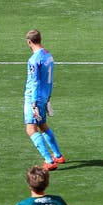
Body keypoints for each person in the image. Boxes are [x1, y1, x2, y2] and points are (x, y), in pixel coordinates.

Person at [23, 29, 65, 171]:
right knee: (43, 125)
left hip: (34, 98)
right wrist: (47, 97)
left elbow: (34, 82)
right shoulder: (48, 55)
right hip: (45, 95)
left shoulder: (34, 60)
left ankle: (49, 160)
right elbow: (50, 79)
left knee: (30, 129)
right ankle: (58, 156)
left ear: (29, 42)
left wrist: (34, 103)